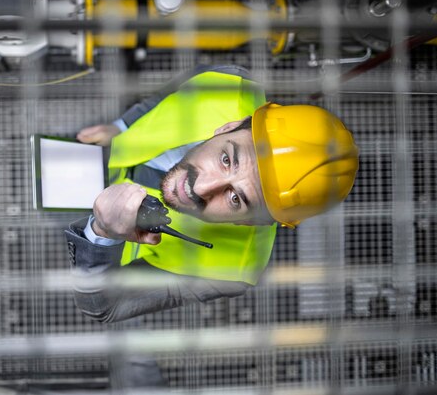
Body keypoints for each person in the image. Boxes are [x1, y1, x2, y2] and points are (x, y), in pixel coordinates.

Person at [64, 64, 359, 324]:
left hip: (88, 239)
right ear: (229, 127)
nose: (200, 189)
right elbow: (177, 88)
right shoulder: (229, 83)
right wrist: (123, 125)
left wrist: (102, 234)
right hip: (92, 155)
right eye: (227, 159)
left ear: (251, 223)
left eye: (236, 199)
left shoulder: (229, 274)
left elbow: (105, 308)